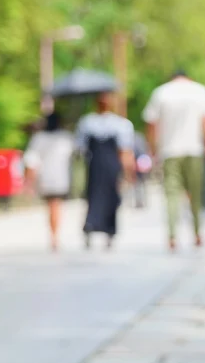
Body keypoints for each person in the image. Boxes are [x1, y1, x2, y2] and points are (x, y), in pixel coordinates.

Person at [142, 68, 205, 251]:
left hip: (169, 151)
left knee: (171, 195)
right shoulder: (200, 91)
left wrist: (152, 149)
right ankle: (198, 233)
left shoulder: (161, 92)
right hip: (194, 149)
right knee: (196, 193)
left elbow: (152, 124)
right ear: (188, 77)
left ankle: (172, 236)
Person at [75, 91, 135, 251]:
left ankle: (107, 229)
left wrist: (128, 171)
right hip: (97, 165)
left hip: (105, 165)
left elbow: (124, 151)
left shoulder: (117, 123)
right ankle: (92, 225)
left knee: (109, 197)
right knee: (94, 196)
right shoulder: (88, 122)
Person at [24, 111, 77, 251]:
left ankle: (54, 234)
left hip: (46, 178)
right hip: (61, 177)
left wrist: (29, 181)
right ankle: (55, 234)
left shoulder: (39, 138)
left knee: (52, 205)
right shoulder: (65, 138)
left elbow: (31, 161)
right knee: (55, 205)